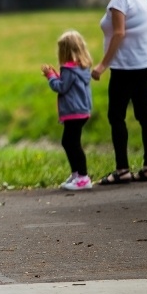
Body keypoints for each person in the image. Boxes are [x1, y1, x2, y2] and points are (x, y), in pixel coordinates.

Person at [91, 0, 147, 184]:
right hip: (145, 65)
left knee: (116, 116)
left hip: (124, 66)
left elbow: (119, 33)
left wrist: (102, 65)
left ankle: (122, 169)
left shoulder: (119, 1)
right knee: (145, 116)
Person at [42, 31, 93, 190]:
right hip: (82, 111)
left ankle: (83, 177)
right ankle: (76, 174)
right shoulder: (81, 68)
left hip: (73, 112)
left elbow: (61, 87)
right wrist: (57, 75)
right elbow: (67, 84)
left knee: (72, 143)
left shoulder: (69, 69)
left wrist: (50, 76)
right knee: (69, 142)